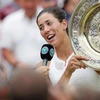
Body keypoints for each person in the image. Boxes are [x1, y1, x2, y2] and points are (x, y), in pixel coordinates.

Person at [36, 6, 100, 89]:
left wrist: (92, 62)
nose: (46, 30)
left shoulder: (89, 51)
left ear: (64, 24)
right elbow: (53, 97)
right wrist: (67, 72)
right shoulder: (43, 66)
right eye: (41, 28)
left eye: (49, 23)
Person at [0, 0, 46, 78]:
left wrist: (46, 65)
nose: (29, 5)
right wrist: (17, 64)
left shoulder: (49, 18)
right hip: (19, 72)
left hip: (46, 69)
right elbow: (6, 50)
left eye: (32, 1)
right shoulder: (10, 21)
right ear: (20, 2)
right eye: (26, 1)